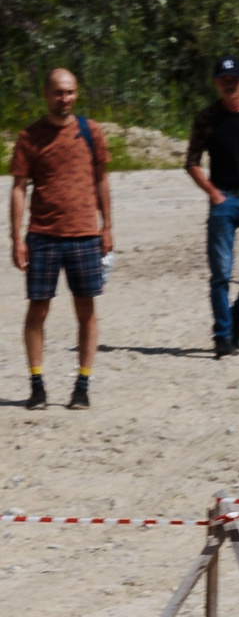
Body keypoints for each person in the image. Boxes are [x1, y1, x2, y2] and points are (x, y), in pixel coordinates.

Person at [9, 68, 110, 411]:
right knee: (38, 308)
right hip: (43, 236)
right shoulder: (30, 136)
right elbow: (19, 188)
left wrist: (107, 226)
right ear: (45, 94)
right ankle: (37, 384)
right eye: (58, 93)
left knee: (86, 309)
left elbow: (100, 180)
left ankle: (82, 384)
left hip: (84, 234)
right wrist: (15, 238)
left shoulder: (91, 131)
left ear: (76, 94)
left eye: (69, 92)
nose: (64, 98)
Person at [184, 56, 239, 359]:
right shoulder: (206, 118)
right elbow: (192, 162)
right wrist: (211, 192)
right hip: (223, 201)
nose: (229, 83)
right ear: (215, 82)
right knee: (221, 273)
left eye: (233, 78)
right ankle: (223, 336)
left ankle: (237, 315)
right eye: (223, 79)